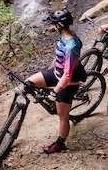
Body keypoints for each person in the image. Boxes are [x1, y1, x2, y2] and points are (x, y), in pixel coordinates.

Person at [23, 10, 87, 154]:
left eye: (54, 24)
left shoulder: (71, 45)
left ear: (59, 25)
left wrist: (54, 92)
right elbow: (60, 58)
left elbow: (67, 75)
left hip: (67, 80)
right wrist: (49, 70)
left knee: (62, 117)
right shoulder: (66, 35)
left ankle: (60, 144)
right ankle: (50, 100)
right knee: (29, 83)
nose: (52, 26)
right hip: (57, 72)